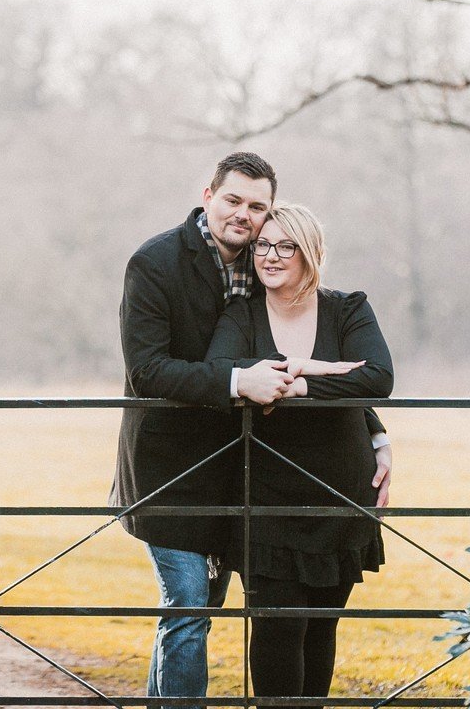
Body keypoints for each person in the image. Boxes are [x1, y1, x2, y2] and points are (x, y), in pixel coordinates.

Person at [110, 153, 392, 709]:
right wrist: (242, 378)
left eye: (257, 208)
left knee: (198, 613)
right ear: (208, 194)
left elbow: (356, 369)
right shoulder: (156, 263)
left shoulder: (265, 270)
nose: (245, 217)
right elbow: (148, 370)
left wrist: (373, 428)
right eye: (233, 200)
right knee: (189, 610)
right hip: (174, 465)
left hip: (238, 464)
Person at [205, 203, 393, 706]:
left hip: (340, 489)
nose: (270, 255)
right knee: (276, 629)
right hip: (267, 493)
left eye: (285, 246)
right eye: (263, 245)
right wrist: (327, 372)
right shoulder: (241, 313)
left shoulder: (348, 307)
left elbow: (377, 378)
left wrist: (300, 381)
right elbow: (221, 367)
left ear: (309, 252)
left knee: (320, 628)